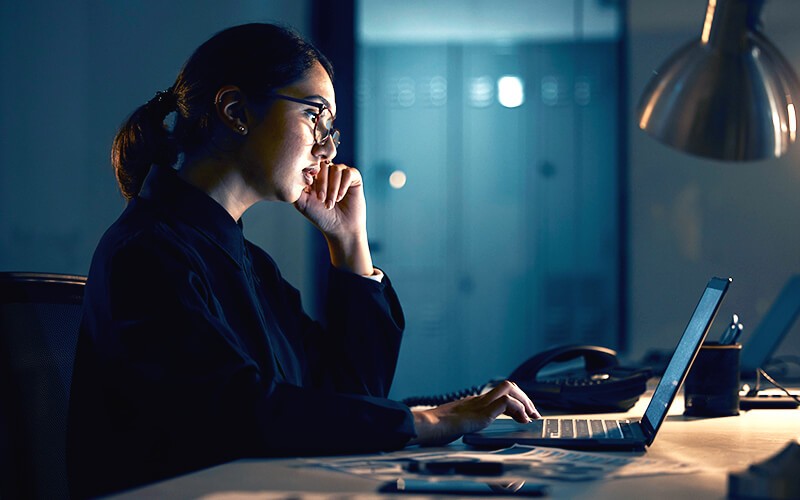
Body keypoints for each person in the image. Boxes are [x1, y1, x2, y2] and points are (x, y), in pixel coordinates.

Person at [66, 23, 540, 498]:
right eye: (315, 116)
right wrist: (429, 420)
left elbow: (348, 395)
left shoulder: (247, 262)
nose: (328, 147)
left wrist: (350, 245)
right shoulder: (146, 252)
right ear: (235, 111)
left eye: (330, 128)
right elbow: (235, 415)